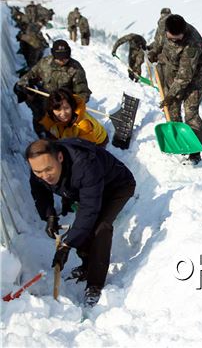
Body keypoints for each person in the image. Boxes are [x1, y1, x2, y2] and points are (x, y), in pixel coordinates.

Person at [26, 138, 135, 307]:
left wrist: (67, 245)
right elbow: (39, 191)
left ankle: (95, 284)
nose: (44, 176)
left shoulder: (84, 165)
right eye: (38, 172)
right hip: (87, 190)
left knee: (100, 227)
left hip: (116, 187)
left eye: (49, 169)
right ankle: (86, 265)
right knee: (83, 226)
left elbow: (89, 211)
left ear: (60, 158)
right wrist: (50, 216)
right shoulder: (40, 167)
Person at [148, 14, 202, 165]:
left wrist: (170, 95)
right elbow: (159, 43)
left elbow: (185, 76)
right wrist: (154, 52)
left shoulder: (193, 43)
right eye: (171, 38)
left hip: (192, 82)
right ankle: (178, 141)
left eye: (177, 38)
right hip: (172, 76)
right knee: (172, 110)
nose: (174, 41)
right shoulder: (163, 26)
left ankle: (194, 152)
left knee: (191, 114)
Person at [14, 39, 92, 136]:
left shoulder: (75, 69)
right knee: (41, 122)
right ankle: (42, 136)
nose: (63, 60)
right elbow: (31, 74)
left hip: (63, 105)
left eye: (65, 57)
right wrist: (23, 83)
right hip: (44, 101)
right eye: (59, 57)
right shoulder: (45, 63)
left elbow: (83, 93)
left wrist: (74, 106)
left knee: (59, 131)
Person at [40, 88, 108, 146]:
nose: (63, 113)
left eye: (66, 108)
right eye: (58, 109)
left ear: (72, 106)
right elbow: (47, 132)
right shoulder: (51, 118)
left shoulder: (83, 124)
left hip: (98, 141)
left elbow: (87, 150)